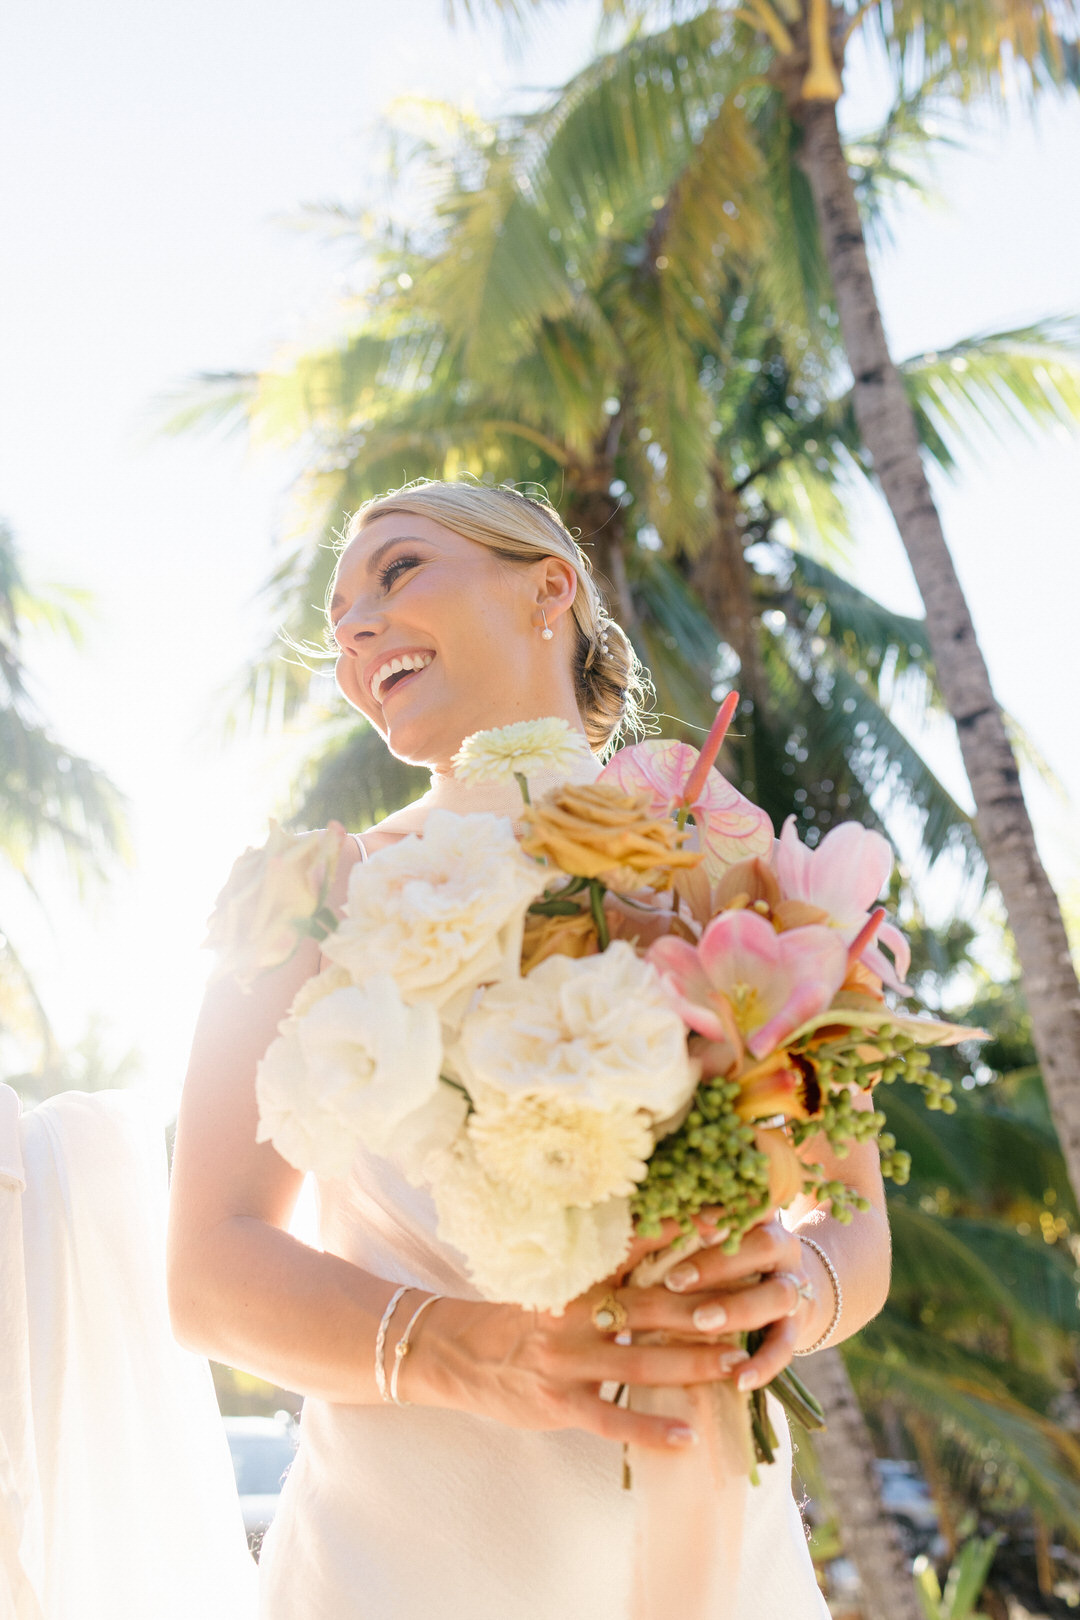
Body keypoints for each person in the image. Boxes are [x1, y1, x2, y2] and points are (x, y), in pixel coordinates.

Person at [166, 480, 891, 1620]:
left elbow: (852, 1211)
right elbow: (208, 1271)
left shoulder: (723, 858)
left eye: (398, 572)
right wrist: (473, 1351)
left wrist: (796, 1290)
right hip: (406, 1564)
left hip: (719, 1552)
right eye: (340, 615)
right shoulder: (305, 895)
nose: (354, 628)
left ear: (549, 586)